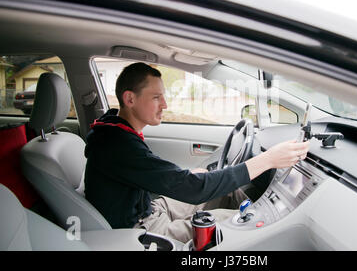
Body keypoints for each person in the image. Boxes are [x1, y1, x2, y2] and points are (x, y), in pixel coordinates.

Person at [84, 62, 310, 243]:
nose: (165, 104)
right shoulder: (118, 145)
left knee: (227, 194)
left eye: (163, 96)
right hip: (140, 229)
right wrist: (268, 159)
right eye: (156, 97)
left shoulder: (113, 130)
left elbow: (156, 174)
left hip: (149, 209)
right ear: (130, 99)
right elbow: (195, 189)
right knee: (243, 221)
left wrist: (191, 176)